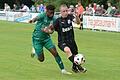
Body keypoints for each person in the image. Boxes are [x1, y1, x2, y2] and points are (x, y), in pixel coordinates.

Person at [29, 4, 71, 74]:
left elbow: (52, 31)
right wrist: (32, 20)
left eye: (53, 12)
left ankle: (63, 70)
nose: (51, 14)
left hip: (46, 39)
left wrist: (48, 31)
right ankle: (35, 50)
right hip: (37, 40)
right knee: (41, 59)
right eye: (50, 12)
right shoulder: (43, 15)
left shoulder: (54, 19)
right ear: (46, 11)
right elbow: (36, 18)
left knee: (55, 53)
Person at [53, 4, 87, 73]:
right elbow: (51, 29)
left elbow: (78, 23)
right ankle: (79, 67)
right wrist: (47, 30)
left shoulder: (70, 17)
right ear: (61, 12)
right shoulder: (57, 21)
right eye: (64, 11)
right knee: (68, 51)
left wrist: (77, 16)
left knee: (75, 55)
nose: (65, 12)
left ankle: (74, 68)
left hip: (72, 41)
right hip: (62, 42)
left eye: (66, 10)